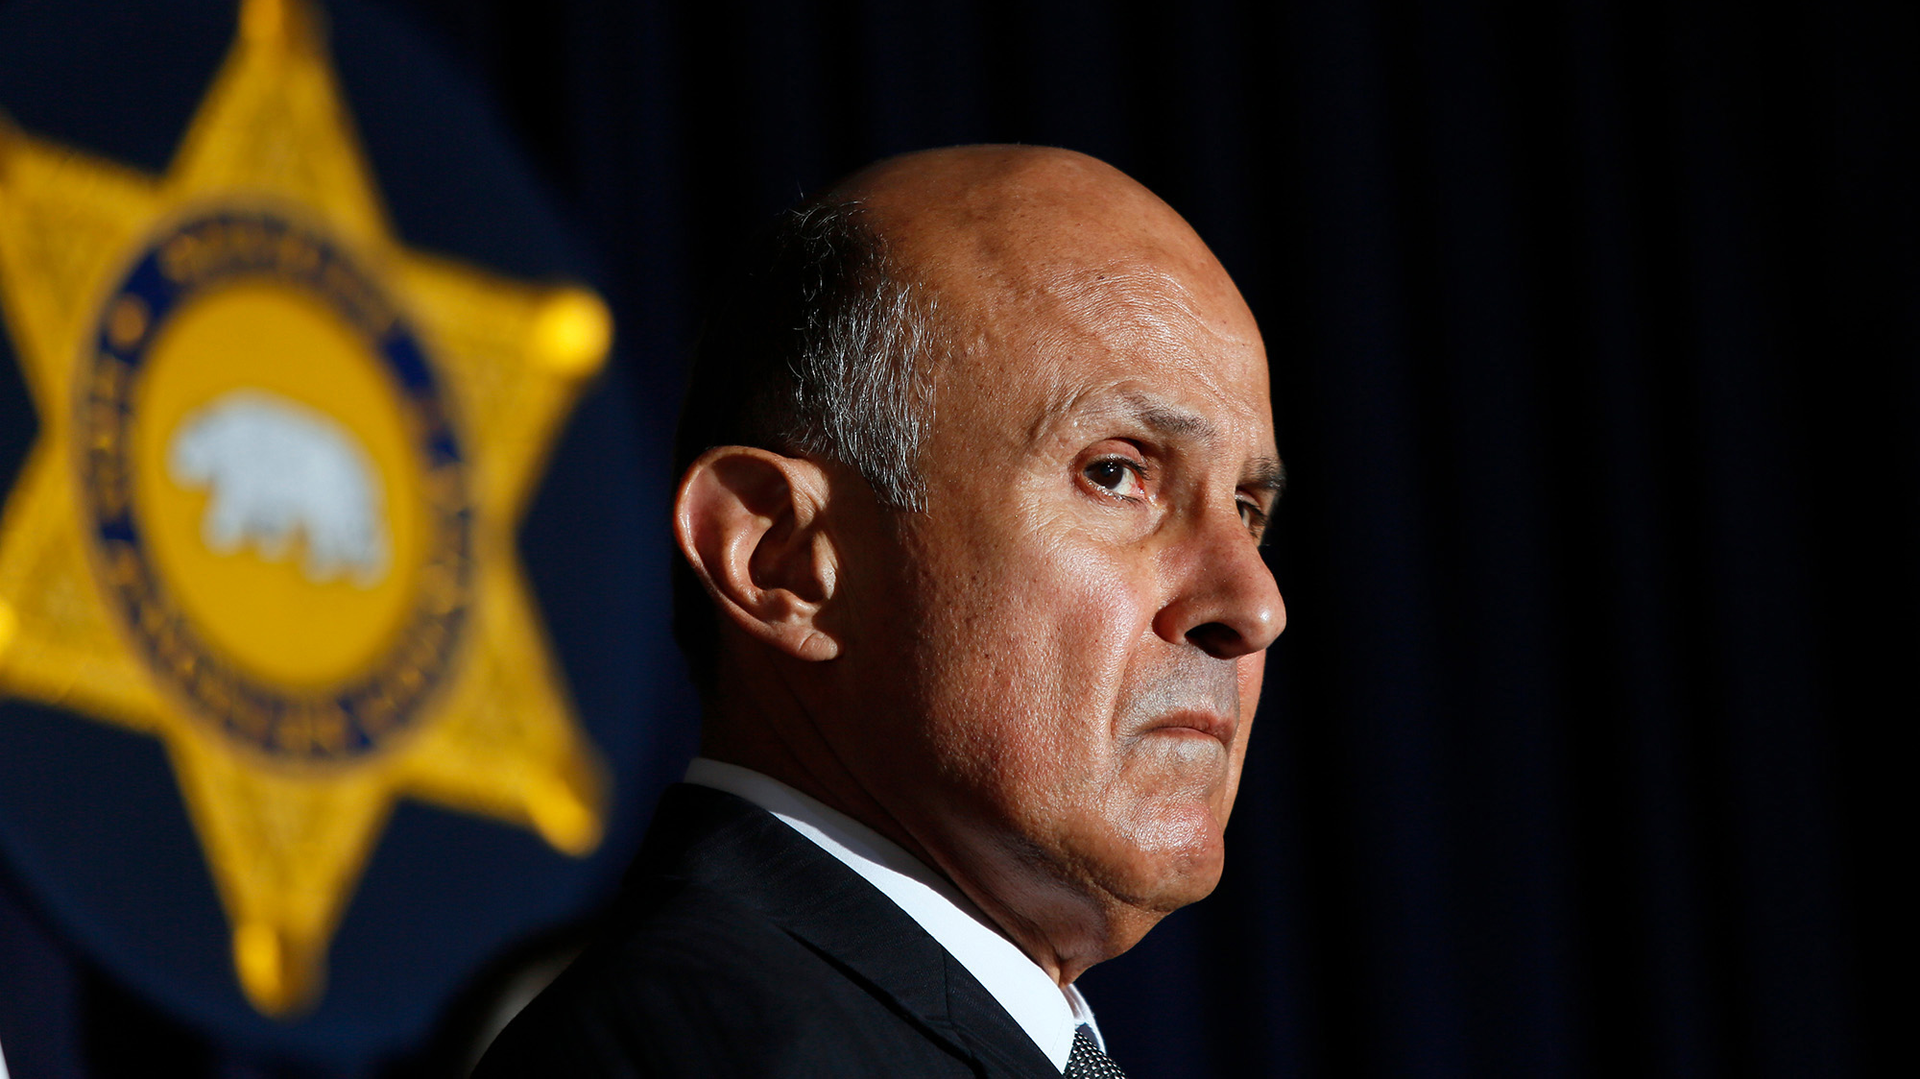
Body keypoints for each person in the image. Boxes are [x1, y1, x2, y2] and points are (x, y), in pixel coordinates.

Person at [475, 144, 1285, 1077]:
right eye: (1115, 472)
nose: (1254, 604)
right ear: (780, 558)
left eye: (1247, 509)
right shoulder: (687, 1052)